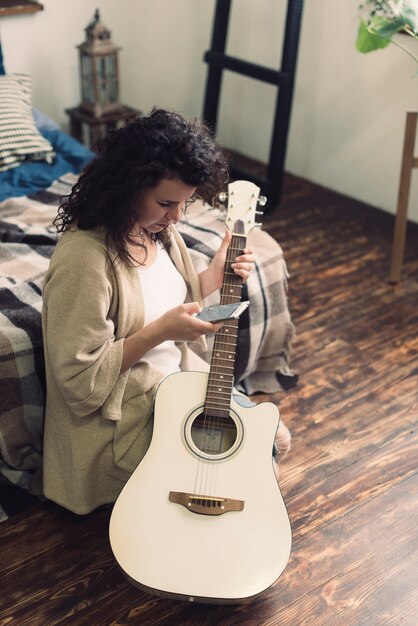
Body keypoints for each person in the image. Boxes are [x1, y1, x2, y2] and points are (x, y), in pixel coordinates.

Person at [41, 108, 290, 515]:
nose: (176, 217)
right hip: (122, 416)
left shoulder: (155, 230)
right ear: (127, 186)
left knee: (276, 439)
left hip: (176, 383)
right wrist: (158, 333)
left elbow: (172, 299)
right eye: (166, 203)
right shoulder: (84, 261)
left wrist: (214, 274)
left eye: (184, 204)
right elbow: (78, 382)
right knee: (231, 476)